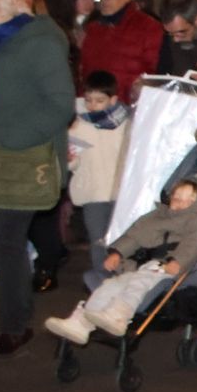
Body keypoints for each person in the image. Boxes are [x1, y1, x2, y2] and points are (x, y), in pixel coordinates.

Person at [0, 0, 76, 357]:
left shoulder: (38, 42)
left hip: (20, 161)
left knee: (7, 245)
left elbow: (60, 105)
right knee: (5, 245)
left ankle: (14, 327)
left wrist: (8, 136)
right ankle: (14, 324)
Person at [43, 179, 197, 343]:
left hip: (166, 266)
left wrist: (178, 262)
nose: (179, 203)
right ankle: (83, 321)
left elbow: (193, 245)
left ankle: (119, 315)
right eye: (176, 198)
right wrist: (117, 253)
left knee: (139, 282)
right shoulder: (157, 216)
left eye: (187, 200)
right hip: (143, 265)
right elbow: (134, 236)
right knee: (111, 285)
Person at [68, 71, 131, 291]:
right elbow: (73, 161)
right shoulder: (78, 125)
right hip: (93, 191)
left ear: (113, 100)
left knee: (121, 239)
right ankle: (101, 281)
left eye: (99, 100)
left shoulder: (127, 122)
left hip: (120, 191)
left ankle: (121, 280)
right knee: (98, 239)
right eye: (88, 100)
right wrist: (70, 160)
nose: (92, 105)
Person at [78, 0, 163, 101]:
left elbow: (153, 71)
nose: (104, 0)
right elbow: (85, 70)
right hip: (96, 104)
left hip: (131, 103)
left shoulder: (149, 27)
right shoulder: (93, 29)